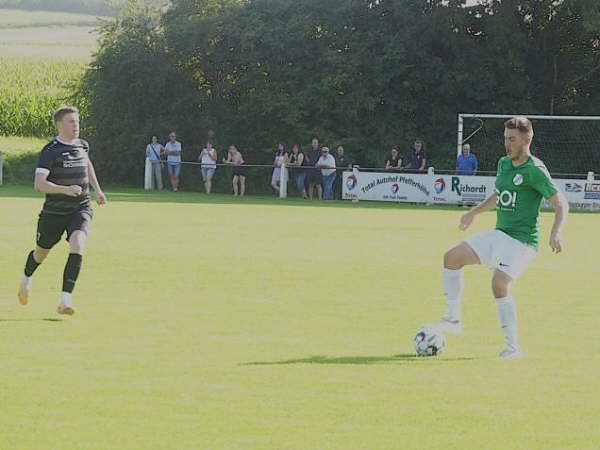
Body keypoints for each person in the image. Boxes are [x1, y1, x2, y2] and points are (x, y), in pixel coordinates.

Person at [426, 117, 569, 359]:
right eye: (505, 139)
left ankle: (513, 348)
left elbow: (561, 203)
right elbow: (498, 195)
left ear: (527, 139)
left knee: (498, 284)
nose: (507, 144)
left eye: (512, 139)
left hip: (522, 241)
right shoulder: (504, 163)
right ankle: (453, 318)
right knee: (451, 257)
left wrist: (555, 232)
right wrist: (474, 212)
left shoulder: (535, 170)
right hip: (499, 234)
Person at [17, 106, 107, 315]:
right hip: (54, 212)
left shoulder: (83, 145)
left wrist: (98, 190)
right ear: (59, 124)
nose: (76, 126)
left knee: (78, 243)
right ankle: (26, 278)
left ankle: (65, 299)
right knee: (41, 253)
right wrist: (65, 190)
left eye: (77, 122)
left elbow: (87, 165)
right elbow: (39, 184)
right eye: (71, 122)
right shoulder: (50, 151)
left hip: (81, 207)